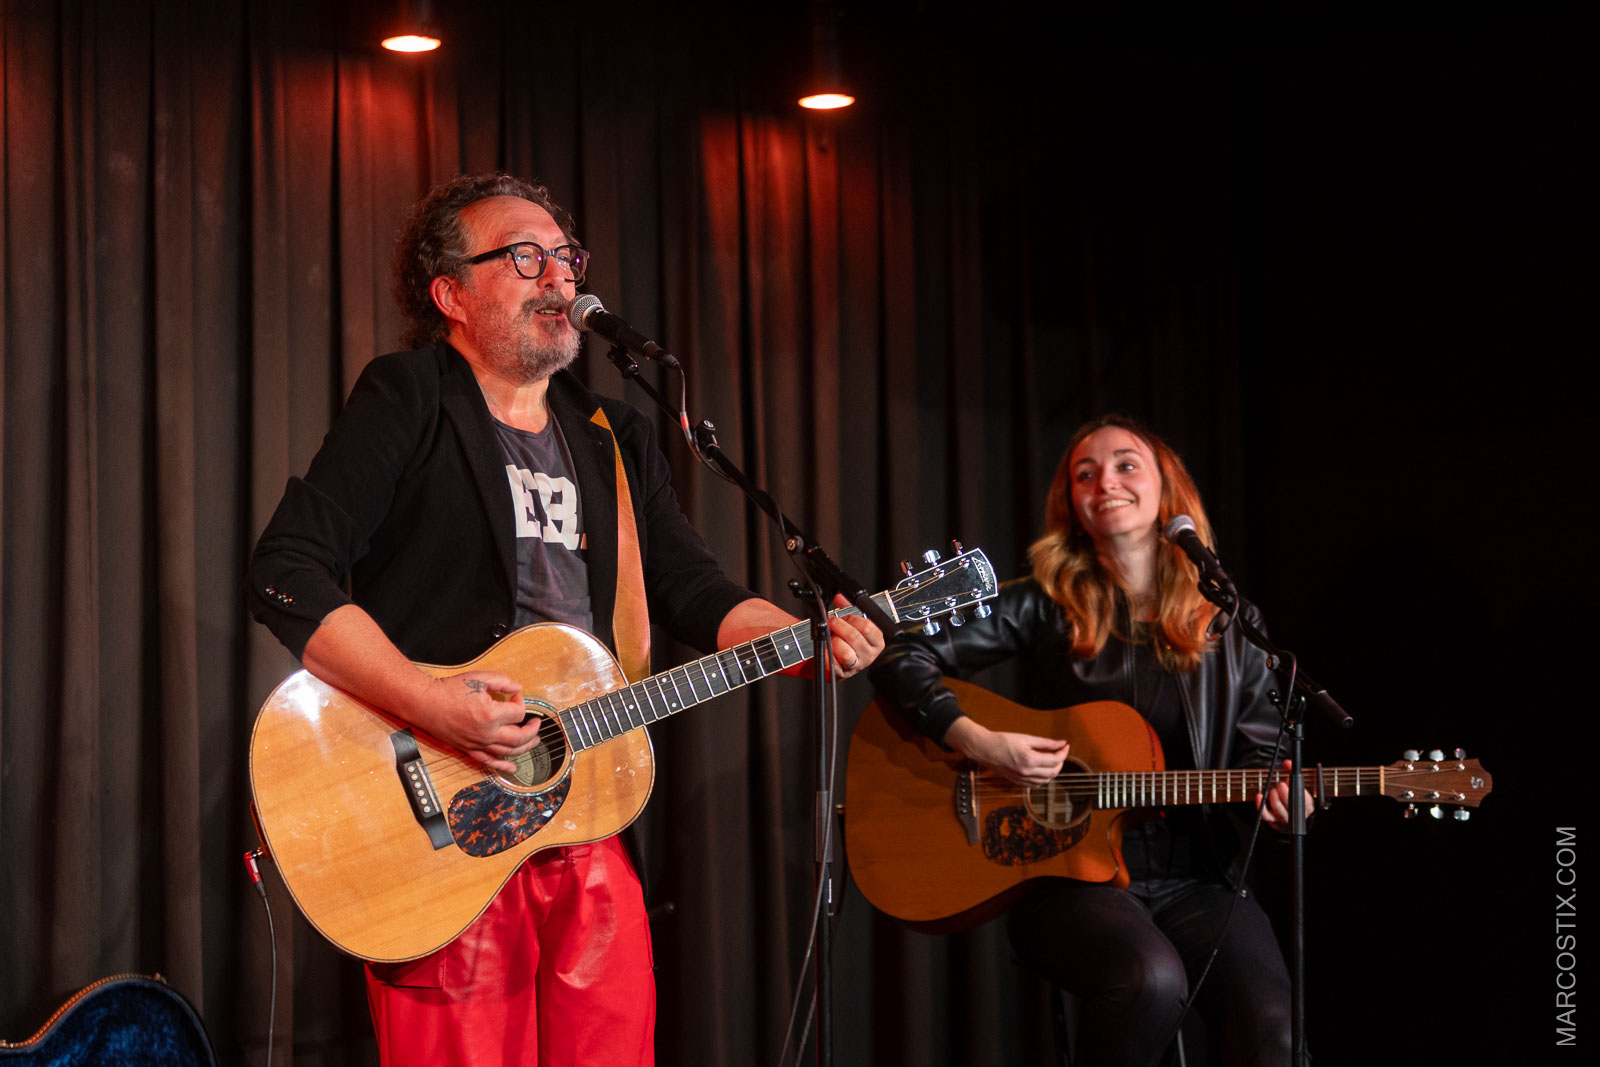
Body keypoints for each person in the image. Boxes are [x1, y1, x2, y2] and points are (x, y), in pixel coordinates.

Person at [247, 172, 882, 1067]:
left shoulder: (613, 434)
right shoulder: (411, 396)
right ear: (450, 294)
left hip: (586, 818)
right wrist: (431, 702)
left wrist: (798, 642)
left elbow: (694, 588)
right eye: (525, 257)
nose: (558, 277)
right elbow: (287, 570)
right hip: (447, 818)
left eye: (566, 257)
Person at [869, 414, 1300, 1066]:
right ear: (1071, 502)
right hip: (1065, 879)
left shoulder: (1228, 622)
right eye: (1085, 473)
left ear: (1168, 490)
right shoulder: (1044, 603)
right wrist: (977, 740)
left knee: (1273, 1025)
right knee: (1149, 980)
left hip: (1197, 880)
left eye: (1127, 465)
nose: (1106, 482)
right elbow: (898, 651)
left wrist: (1282, 801)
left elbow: (1262, 757)